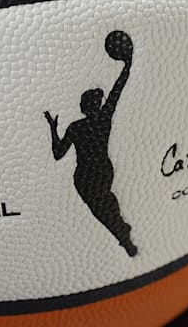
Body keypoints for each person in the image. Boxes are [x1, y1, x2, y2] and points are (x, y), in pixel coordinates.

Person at [45, 30, 138, 257]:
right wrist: (127, 65)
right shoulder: (104, 118)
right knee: (106, 204)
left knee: (101, 209)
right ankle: (123, 233)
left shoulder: (75, 127)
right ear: (96, 104)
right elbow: (117, 91)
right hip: (102, 170)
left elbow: (57, 153)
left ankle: (123, 235)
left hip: (85, 175)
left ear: (83, 107)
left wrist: (53, 129)